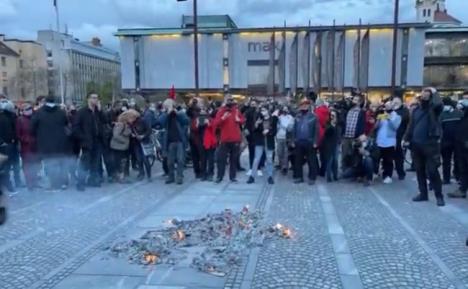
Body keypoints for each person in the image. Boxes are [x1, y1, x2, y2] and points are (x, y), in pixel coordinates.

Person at [404, 88, 445, 207]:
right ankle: (423, 193)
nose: (424, 96)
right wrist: (406, 139)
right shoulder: (416, 110)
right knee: (419, 170)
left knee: (432, 171)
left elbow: (439, 103)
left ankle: (439, 196)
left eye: (427, 94)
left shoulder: (434, 109)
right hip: (416, 145)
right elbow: (410, 126)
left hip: (430, 145)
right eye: (422, 94)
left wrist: (434, 92)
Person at [31, 96, 70, 191]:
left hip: (45, 144)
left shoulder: (39, 113)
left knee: (50, 164)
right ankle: (64, 182)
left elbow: (32, 128)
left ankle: (54, 184)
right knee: (61, 163)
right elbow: (66, 123)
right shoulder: (61, 112)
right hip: (61, 143)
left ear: (45, 102)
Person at [73, 92, 105, 191]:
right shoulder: (82, 112)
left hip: (97, 140)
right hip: (87, 142)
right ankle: (80, 182)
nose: (95, 100)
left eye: (96, 98)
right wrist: (83, 138)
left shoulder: (98, 112)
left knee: (95, 162)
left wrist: (100, 111)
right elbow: (76, 127)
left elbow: (105, 121)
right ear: (88, 99)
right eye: (93, 98)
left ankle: (93, 180)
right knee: (84, 163)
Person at [214, 96, 245, 183]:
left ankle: (233, 177)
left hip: (235, 139)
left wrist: (239, 120)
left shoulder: (236, 111)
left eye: (231, 100)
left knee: (234, 159)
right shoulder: (221, 111)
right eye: (228, 100)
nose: (230, 102)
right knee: (221, 159)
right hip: (224, 139)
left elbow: (243, 119)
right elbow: (216, 123)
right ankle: (220, 176)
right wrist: (223, 118)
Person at [159, 99, 189, 185]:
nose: (168, 107)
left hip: (179, 141)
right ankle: (171, 176)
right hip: (169, 142)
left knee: (180, 160)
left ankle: (179, 176)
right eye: (166, 106)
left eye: (169, 105)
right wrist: (167, 113)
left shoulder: (180, 113)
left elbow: (186, 121)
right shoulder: (165, 115)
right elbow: (159, 122)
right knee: (170, 161)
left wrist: (177, 113)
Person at [292, 98, 320, 185]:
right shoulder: (297, 116)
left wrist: (315, 142)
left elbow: (317, 130)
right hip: (299, 141)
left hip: (310, 141)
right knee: (298, 160)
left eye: (306, 104)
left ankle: (312, 177)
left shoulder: (314, 117)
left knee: (311, 160)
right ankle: (299, 177)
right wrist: (293, 140)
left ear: (309, 106)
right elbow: (294, 129)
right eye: (302, 104)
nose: (304, 106)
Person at [247, 105, 277, 185]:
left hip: (269, 141)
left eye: (264, 110)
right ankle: (252, 176)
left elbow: (274, 131)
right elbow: (254, 130)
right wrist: (256, 124)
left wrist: (268, 131)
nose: (263, 112)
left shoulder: (273, 119)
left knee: (269, 160)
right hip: (260, 141)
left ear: (268, 111)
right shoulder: (259, 119)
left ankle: (270, 176)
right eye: (262, 111)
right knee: (256, 159)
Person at [375, 100, 401, 184]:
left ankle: (387, 175)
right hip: (379, 140)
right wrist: (378, 120)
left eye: (388, 105)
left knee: (388, 160)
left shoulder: (397, 116)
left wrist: (389, 118)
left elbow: (395, 127)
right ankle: (375, 172)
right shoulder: (382, 115)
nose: (386, 107)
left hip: (389, 142)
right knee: (377, 158)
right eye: (385, 106)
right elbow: (376, 127)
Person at [110, 109, 139, 183]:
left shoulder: (127, 125)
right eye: (133, 118)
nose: (134, 120)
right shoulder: (121, 124)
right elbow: (116, 135)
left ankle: (120, 177)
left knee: (123, 162)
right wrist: (124, 141)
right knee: (120, 162)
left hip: (123, 147)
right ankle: (119, 177)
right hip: (118, 147)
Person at [448, 98, 468, 199]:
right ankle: (462, 189)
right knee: (463, 168)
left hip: (465, 144)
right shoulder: (463, 116)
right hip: (461, 145)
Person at [16, 103, 39, 191]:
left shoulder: (34, 118)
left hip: (35, 145)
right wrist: (26, 140)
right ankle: (29, 183)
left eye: (30, 108)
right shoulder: (20, 120)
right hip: (26, 147)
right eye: (27, 109)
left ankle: (35, 181)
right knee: (27, 165)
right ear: (23, 111)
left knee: (35, 164)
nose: (29, 110)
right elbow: (18, 134)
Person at [440, 97, 462, 185]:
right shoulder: (459, 113)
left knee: (450, 160)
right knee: (451, 160)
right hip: (452, 141)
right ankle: (454, 176)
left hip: (451, 141)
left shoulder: (459, 113)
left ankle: (449, 178)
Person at [341, 94, 366, 171]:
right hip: (346, 136)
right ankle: (344, 170)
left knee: (355, 155)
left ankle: (355, 173)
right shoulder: (348, 110)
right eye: (353, 99)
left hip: (355, 137)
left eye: (355, 100)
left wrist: (359, 136)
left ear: (359, 102)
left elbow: (362, 125)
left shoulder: (361, 112)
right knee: (344, 154)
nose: (353, 101)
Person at [0, 99, 17, 192]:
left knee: (6, 167)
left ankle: (7, 185)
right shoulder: (7, 117)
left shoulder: (8, 117)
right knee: (5, 167)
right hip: (6, 144)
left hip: (7, 144)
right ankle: (7, 186)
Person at [393, 97, 410, 180]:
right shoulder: (390, 110)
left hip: (400, 136)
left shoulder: (405, 111)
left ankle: (401, 173)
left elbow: (406, 121)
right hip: (390, 137)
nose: (395, 103)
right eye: (394, 101)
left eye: (397, 102)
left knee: (399, 156)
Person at [322, 110, 341, 182]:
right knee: (330, 160)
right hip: (329, 144)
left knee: (335, 160)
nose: (332, 117)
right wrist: (332, 126)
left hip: (336, 144)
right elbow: (326, 132)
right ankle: (329, 177)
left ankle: (335, 175)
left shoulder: (338, 125)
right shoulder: (328, 124)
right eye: (331, 115)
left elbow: (339, 134)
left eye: (334, 115)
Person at [276, 105, 294, 175]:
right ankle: (281, 165)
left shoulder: (291, 118)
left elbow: (290, 128)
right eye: (284, 109)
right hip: (279, 137)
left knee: (286, 154)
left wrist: (283, 126)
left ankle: (284, 167)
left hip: (287, 138)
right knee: (280, 153)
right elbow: (276, 127)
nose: (285, 110)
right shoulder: (279, 118)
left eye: (286, 109)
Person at [201, 107, 217, 181]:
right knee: (204, 159)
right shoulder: (200, 119)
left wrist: (208, 123)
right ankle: (204, 174)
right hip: (203, 142)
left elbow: (212, 127)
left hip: (210, 142)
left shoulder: (212, 120)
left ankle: (210, 173)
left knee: (210, 159)